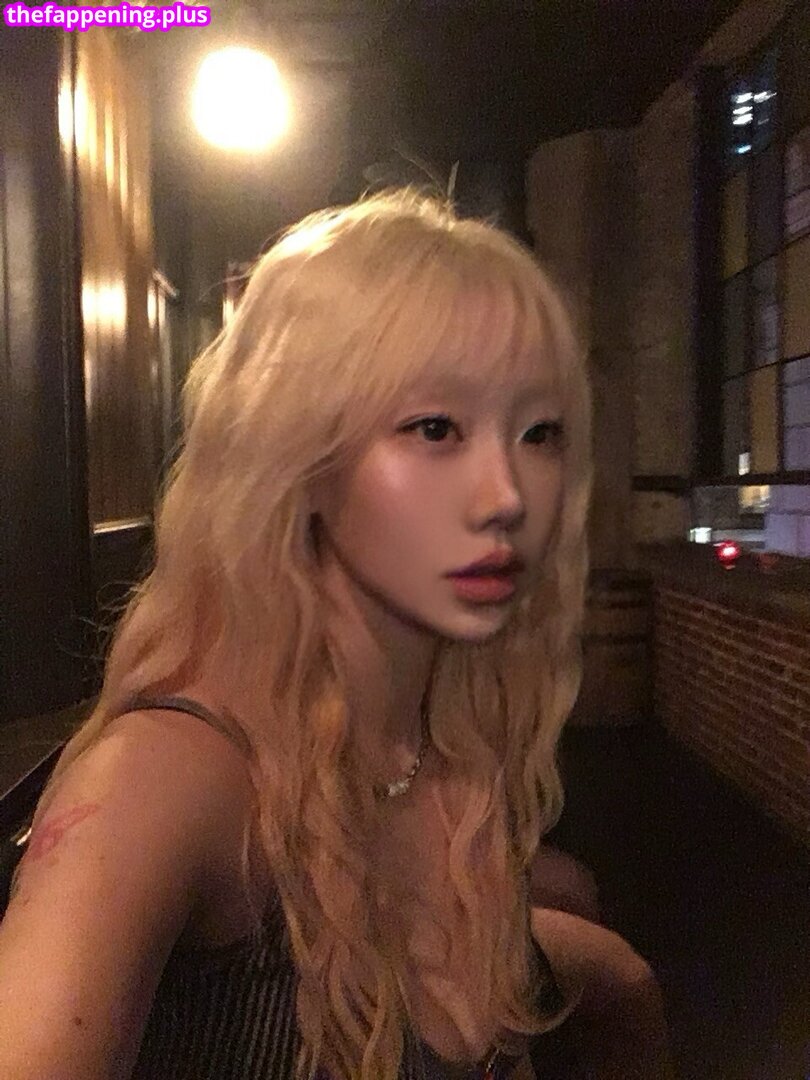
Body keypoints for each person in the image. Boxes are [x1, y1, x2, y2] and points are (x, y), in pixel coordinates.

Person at [0, 190, 674, 1079]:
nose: (506, 496)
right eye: (435, 427)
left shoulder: (451, 750)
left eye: (538, 432)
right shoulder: (168, 778)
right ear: (298, 457)